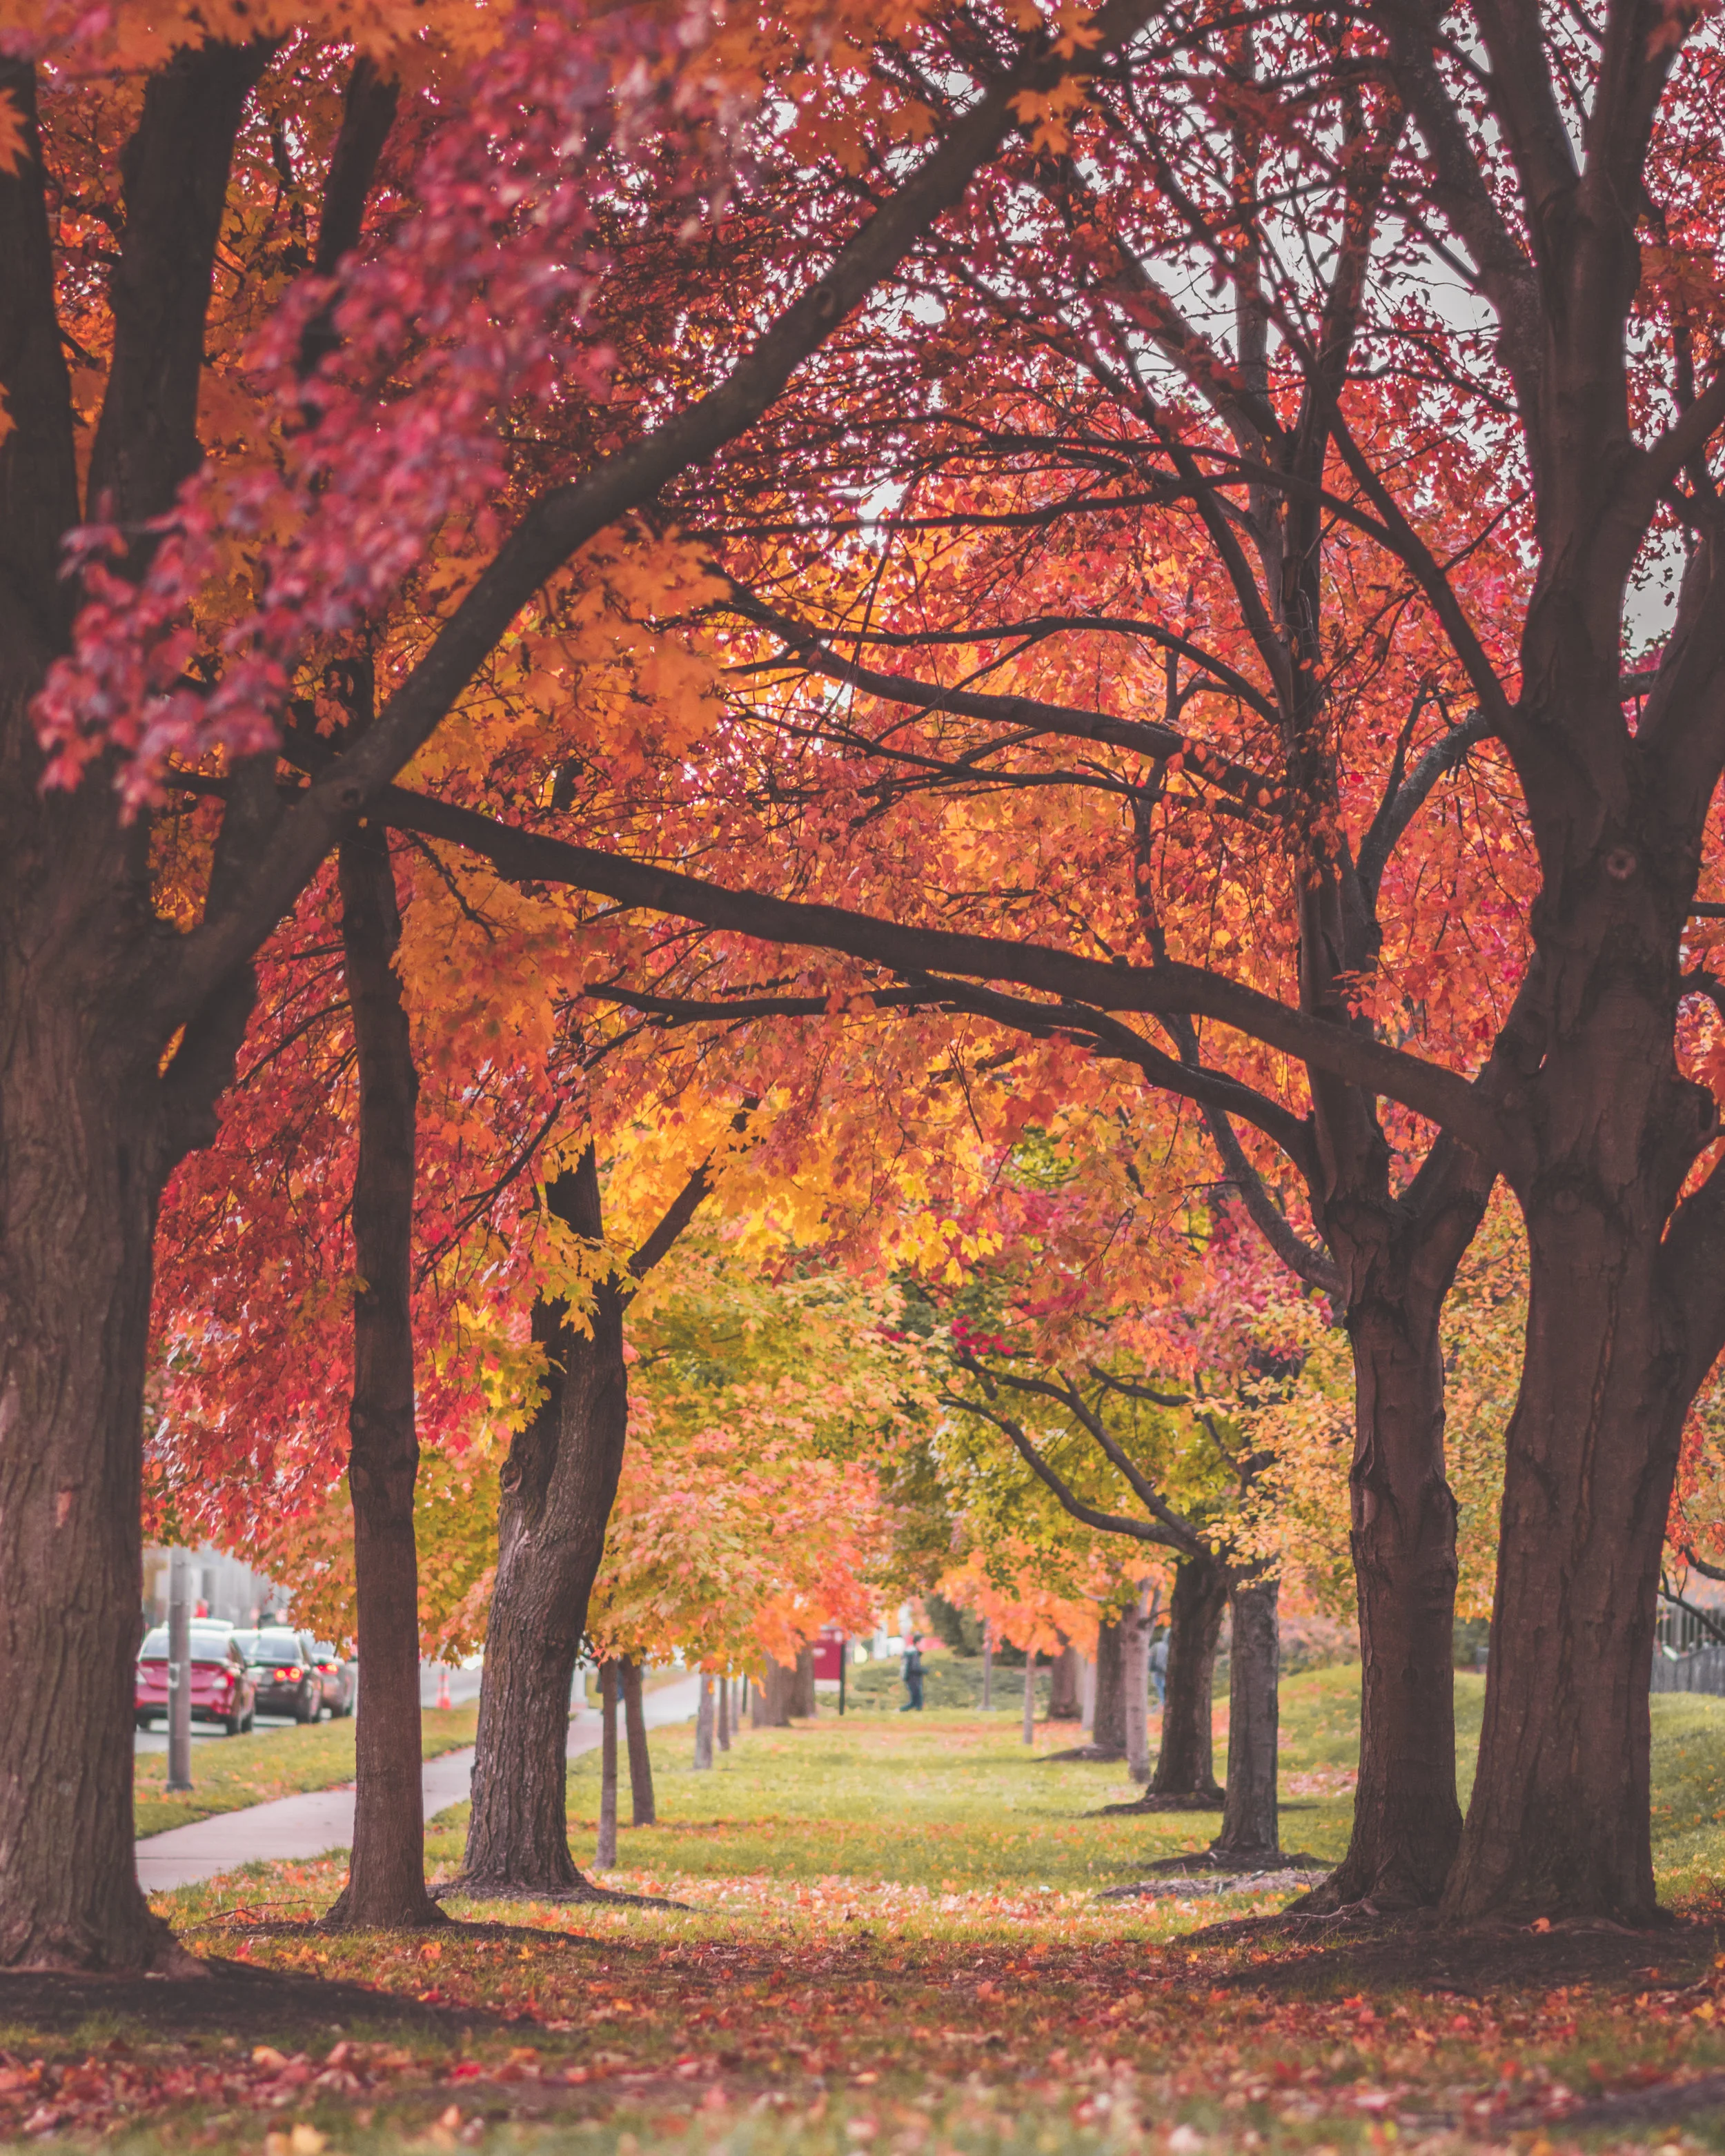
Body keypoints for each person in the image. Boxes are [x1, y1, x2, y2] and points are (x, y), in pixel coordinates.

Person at [900, 1632, 925, 1712]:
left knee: (916, 1700)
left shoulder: (911, 1651)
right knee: (916, 1700)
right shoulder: (913, 1653)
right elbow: (914, 1667)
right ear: (918, 1642)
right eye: (923, 1642)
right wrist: (923, 1670)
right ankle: (900, 1710)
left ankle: (901, 1710)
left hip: (910, 1678)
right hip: (913, 1678)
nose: (924, 1644)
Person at [1148, 1626, 1169, 1708]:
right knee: (1164, 1697)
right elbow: (1160, 1663)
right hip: (1161, 1675)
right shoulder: (1163, 1647)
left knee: (1163, 1696)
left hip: (1158, 1675)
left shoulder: (1160, 1646)